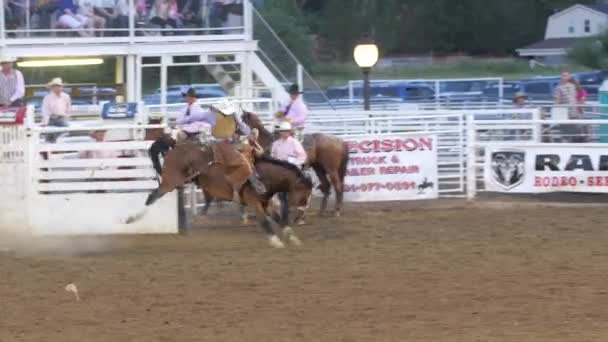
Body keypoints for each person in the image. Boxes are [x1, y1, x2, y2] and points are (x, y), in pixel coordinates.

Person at [209, 98, 266, 203]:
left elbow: (241, 126)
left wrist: (247, 133)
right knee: (245, 157)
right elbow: (241, 127)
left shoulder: (223, 115)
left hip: (225, 143)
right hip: (222, 144)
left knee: (245, 155)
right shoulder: (220, 116)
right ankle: (255, 181)